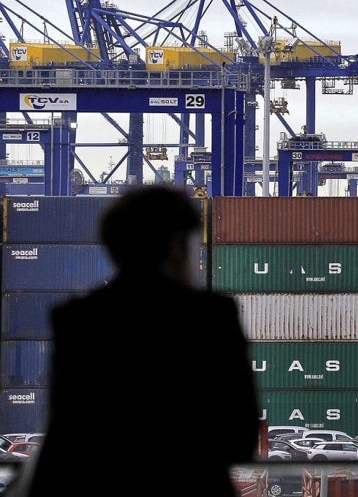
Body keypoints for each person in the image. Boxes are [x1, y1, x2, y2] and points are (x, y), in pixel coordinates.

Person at [27, 185, 261, 497]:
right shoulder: (212, 316)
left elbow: (66, 434)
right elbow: (240, 437)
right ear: (177, 247)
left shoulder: (77, 318)